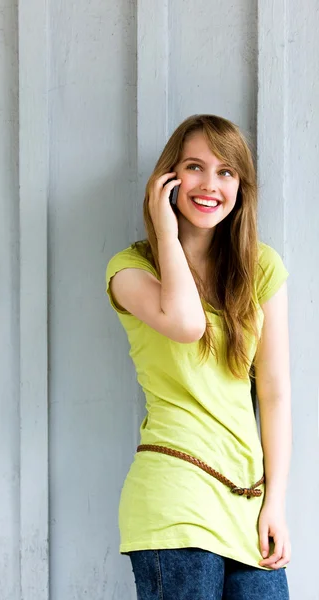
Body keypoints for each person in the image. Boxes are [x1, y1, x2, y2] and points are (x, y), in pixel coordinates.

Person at [105, 115, 291, 600]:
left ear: (241, 186)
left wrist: (276, 503)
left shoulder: (261, 267)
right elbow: (187, 324)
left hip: (248, 503)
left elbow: (273, 392)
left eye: (226, 171)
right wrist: (167, 232)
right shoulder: (129, 270)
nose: (210, 184)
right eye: (195, 167)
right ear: (168, 179)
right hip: (176, 496)